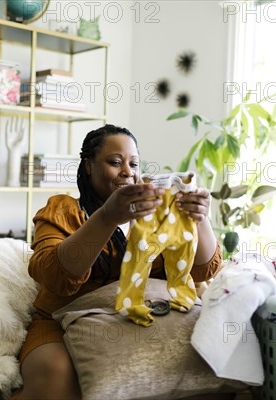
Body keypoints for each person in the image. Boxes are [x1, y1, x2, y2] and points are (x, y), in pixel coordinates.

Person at [14, 124, 222, 399]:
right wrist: (107, 217)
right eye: (115, 162)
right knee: (57, 373)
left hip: (138, 319)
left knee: (208, 359)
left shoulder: (157, 213)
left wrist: (199, 217)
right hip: (62, 322)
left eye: (134, 163)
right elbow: (54, 275)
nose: (128, 172)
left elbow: (203, 269)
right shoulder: (64, 210)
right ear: (88, 166)